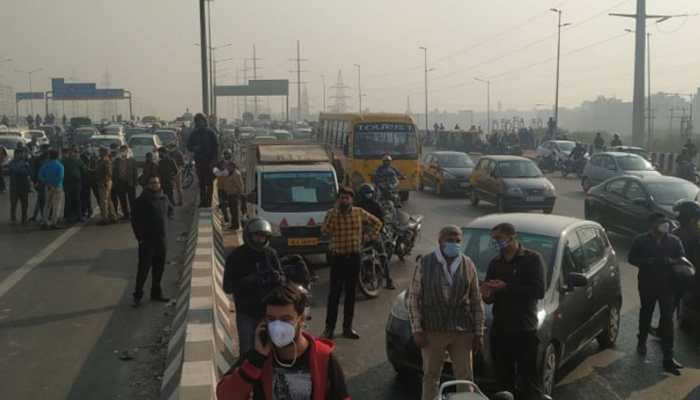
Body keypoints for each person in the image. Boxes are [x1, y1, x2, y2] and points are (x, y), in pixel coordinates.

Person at [216, 283, 350, 400]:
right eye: (271, 319)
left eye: (286, 319)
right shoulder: (258, 358)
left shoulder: (323, 357)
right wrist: (256, 360)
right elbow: (225, 396)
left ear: (301, 319)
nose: (277, 326)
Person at [407, 225, 484, 400]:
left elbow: (476, 300)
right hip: (433, 330)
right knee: (431, 376)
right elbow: (414, 298)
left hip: (462, 331)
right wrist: (417, 329)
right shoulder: (425, 263)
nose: (454, 244)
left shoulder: (467, 264)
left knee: (465, 378)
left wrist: (478, 332)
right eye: (450, 240)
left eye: (458, 241)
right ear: (440, 241)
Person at [482, 223, 545, 399]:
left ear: (511, 237)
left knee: (529, 380)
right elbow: (489, 296)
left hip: (524, 329)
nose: (495, 243)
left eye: (498, 239)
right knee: (503, 381)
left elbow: (538, 291)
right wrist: (487, 293)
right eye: (493, 239)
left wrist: (507, 287)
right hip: (501, 328)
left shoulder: (532, 259)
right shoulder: (495, 262)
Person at [321, 186, 382, 340]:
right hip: (337, 258)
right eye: (342, 197)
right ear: (338, 199)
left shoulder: (358, 212)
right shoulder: (331, 214)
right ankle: (329, 329)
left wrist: (369, 236)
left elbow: (377, 223)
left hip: (354, 258)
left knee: (350, 294)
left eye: (347, 198)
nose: (344, 200)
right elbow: (325, 232)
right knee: (334, 294)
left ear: (351, 200)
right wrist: (334, 216)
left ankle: (347, 328)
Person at [628, 213, 685, 375]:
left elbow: (682, 259)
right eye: (661, 223)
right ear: (652, 224)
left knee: (667, 319)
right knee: (646, 312)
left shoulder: (674, 241)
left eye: (666, 222)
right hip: (647, 285)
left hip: (668, 287)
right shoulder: (640, 240)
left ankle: (668, 357)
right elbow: (631, 258)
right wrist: (648, 262)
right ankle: (642, 341)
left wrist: (672, 262)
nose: (665, 225)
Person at [223, 218, 285, 355]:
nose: (260, 240)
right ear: (249, 236)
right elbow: (227, 287)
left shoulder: (270, 254)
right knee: (247, 351)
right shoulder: (236, 257)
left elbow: (282, 278)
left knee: (272, 349)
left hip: (269, 311)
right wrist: (250, 279)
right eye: (257, 236)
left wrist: (277, 278)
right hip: (246, 312)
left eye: (263, 237)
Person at [131, 176, 171, 307]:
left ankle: (156, 293)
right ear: (147, 185)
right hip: (147, 241)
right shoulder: (141, 201)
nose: (155, 185)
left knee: (159, 268)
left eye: (157, 182)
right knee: (143, 269)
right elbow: (135, 221)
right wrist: (140, 238)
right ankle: (138, 295)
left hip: (161, 239)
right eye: (152, 183)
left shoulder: (164, 198)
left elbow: (170, 210)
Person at [354, 183, 394, 289]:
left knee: (382, 255)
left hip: (374, 235)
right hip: (360, 236)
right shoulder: (356, 206)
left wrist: (373, 233)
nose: (368, 195)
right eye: (366, 193)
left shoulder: (376, 205)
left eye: (370, 193)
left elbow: (381, 222)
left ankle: (389, 280)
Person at [187, 113, 219, 207]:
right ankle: (203, 201)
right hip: (199, 162)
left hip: (210, 162)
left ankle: (209, 202)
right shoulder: (194, 133)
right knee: (201, 182)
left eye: (201, 121)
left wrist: (214, 162)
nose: (200, 123)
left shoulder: (211, 133)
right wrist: (195, 148)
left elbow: (216, 148)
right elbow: (189, 146)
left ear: (205, 121)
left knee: (209, 183)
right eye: (198, 121)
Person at [214, 150, 244, 230]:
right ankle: (233, 225)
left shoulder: (235, 174)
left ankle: (235, 226)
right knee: (232, 210)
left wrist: (240, 194)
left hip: (233, 194)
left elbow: (240, 185)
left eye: (229, 167)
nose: (227, 168)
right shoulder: (229, 172)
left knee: (234, 211)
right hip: (229, 193)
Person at [38, 149, 65, 229]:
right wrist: (54, 185)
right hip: (57, 188)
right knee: (56, 206)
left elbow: (40, 175)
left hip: (48, 187)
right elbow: (60, 177)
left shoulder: (46, 165)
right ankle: (54, 222)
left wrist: (48, 183)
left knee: (47, 205)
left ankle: (45, 222)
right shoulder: (60, 165)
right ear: (57, 156)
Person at [112, 145, 138, 220]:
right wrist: (114, 182)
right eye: (122, 150)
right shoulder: (117, 160)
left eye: (125, 150)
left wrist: (135, 182)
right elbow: (114, 172)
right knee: (122, 199)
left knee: (132, 199)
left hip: (130, 182)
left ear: (127, 151)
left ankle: (133, 214)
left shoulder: (132, 160)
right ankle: (126, 214)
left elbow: (135, 172)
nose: (123, 152)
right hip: (120, 182)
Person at [61, 147, 87, 224]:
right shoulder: (67, 161)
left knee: (73, 200)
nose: (74, 153)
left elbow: (84, 170)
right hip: (71, 183)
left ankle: (73, 216)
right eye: (74, 152)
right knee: (74, 200)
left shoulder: (66, 161)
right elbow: (84, 170)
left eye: (76, 152)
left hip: (72, 183)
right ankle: (75, 216)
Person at [8, 148, 32, 225]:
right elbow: (15, 170)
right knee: (13, 204)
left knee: (25, 204)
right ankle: (13, 218)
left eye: (22, 153)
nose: (21, 155)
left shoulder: (26, 162)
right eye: (19, 154)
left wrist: (23, 169)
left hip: (24, 186)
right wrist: (23, 169)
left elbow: (29, 172)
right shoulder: (12, 163)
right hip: (14, 187)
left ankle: (24, 218)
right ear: (15, 154)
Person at [96, 147, 118, 225]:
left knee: (103, 201)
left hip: (104, 182)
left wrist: (106, 181)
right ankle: (113, 216)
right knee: (108, 200)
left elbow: (109, 172)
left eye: (100, 151)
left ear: (103, 152)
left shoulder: (105, 161)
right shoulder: (101, 160)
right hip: (104, 181)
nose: (99, 152)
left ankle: (105, 219)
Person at [30, 145, 50, 223]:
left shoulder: (49, 158)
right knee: (42, 200)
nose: (46, 151)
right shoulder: (38, 159)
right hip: (41, 182)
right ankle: (43, 217)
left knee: (41, 199)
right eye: (45, 149)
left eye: (47, 149)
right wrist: (35, 182)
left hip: (47, 182)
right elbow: (34, 172)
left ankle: (36, 216)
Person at [81, 150, 100, 221]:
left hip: (94, 181)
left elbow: (97, 169)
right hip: (86, 181)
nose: (87, 157)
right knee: (86, 198)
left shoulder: (94, 161)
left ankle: (104, 211)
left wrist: (89, 170)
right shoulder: (82, 161)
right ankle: (89, 211)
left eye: (88, 155)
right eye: (86, 155)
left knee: (98, 196)